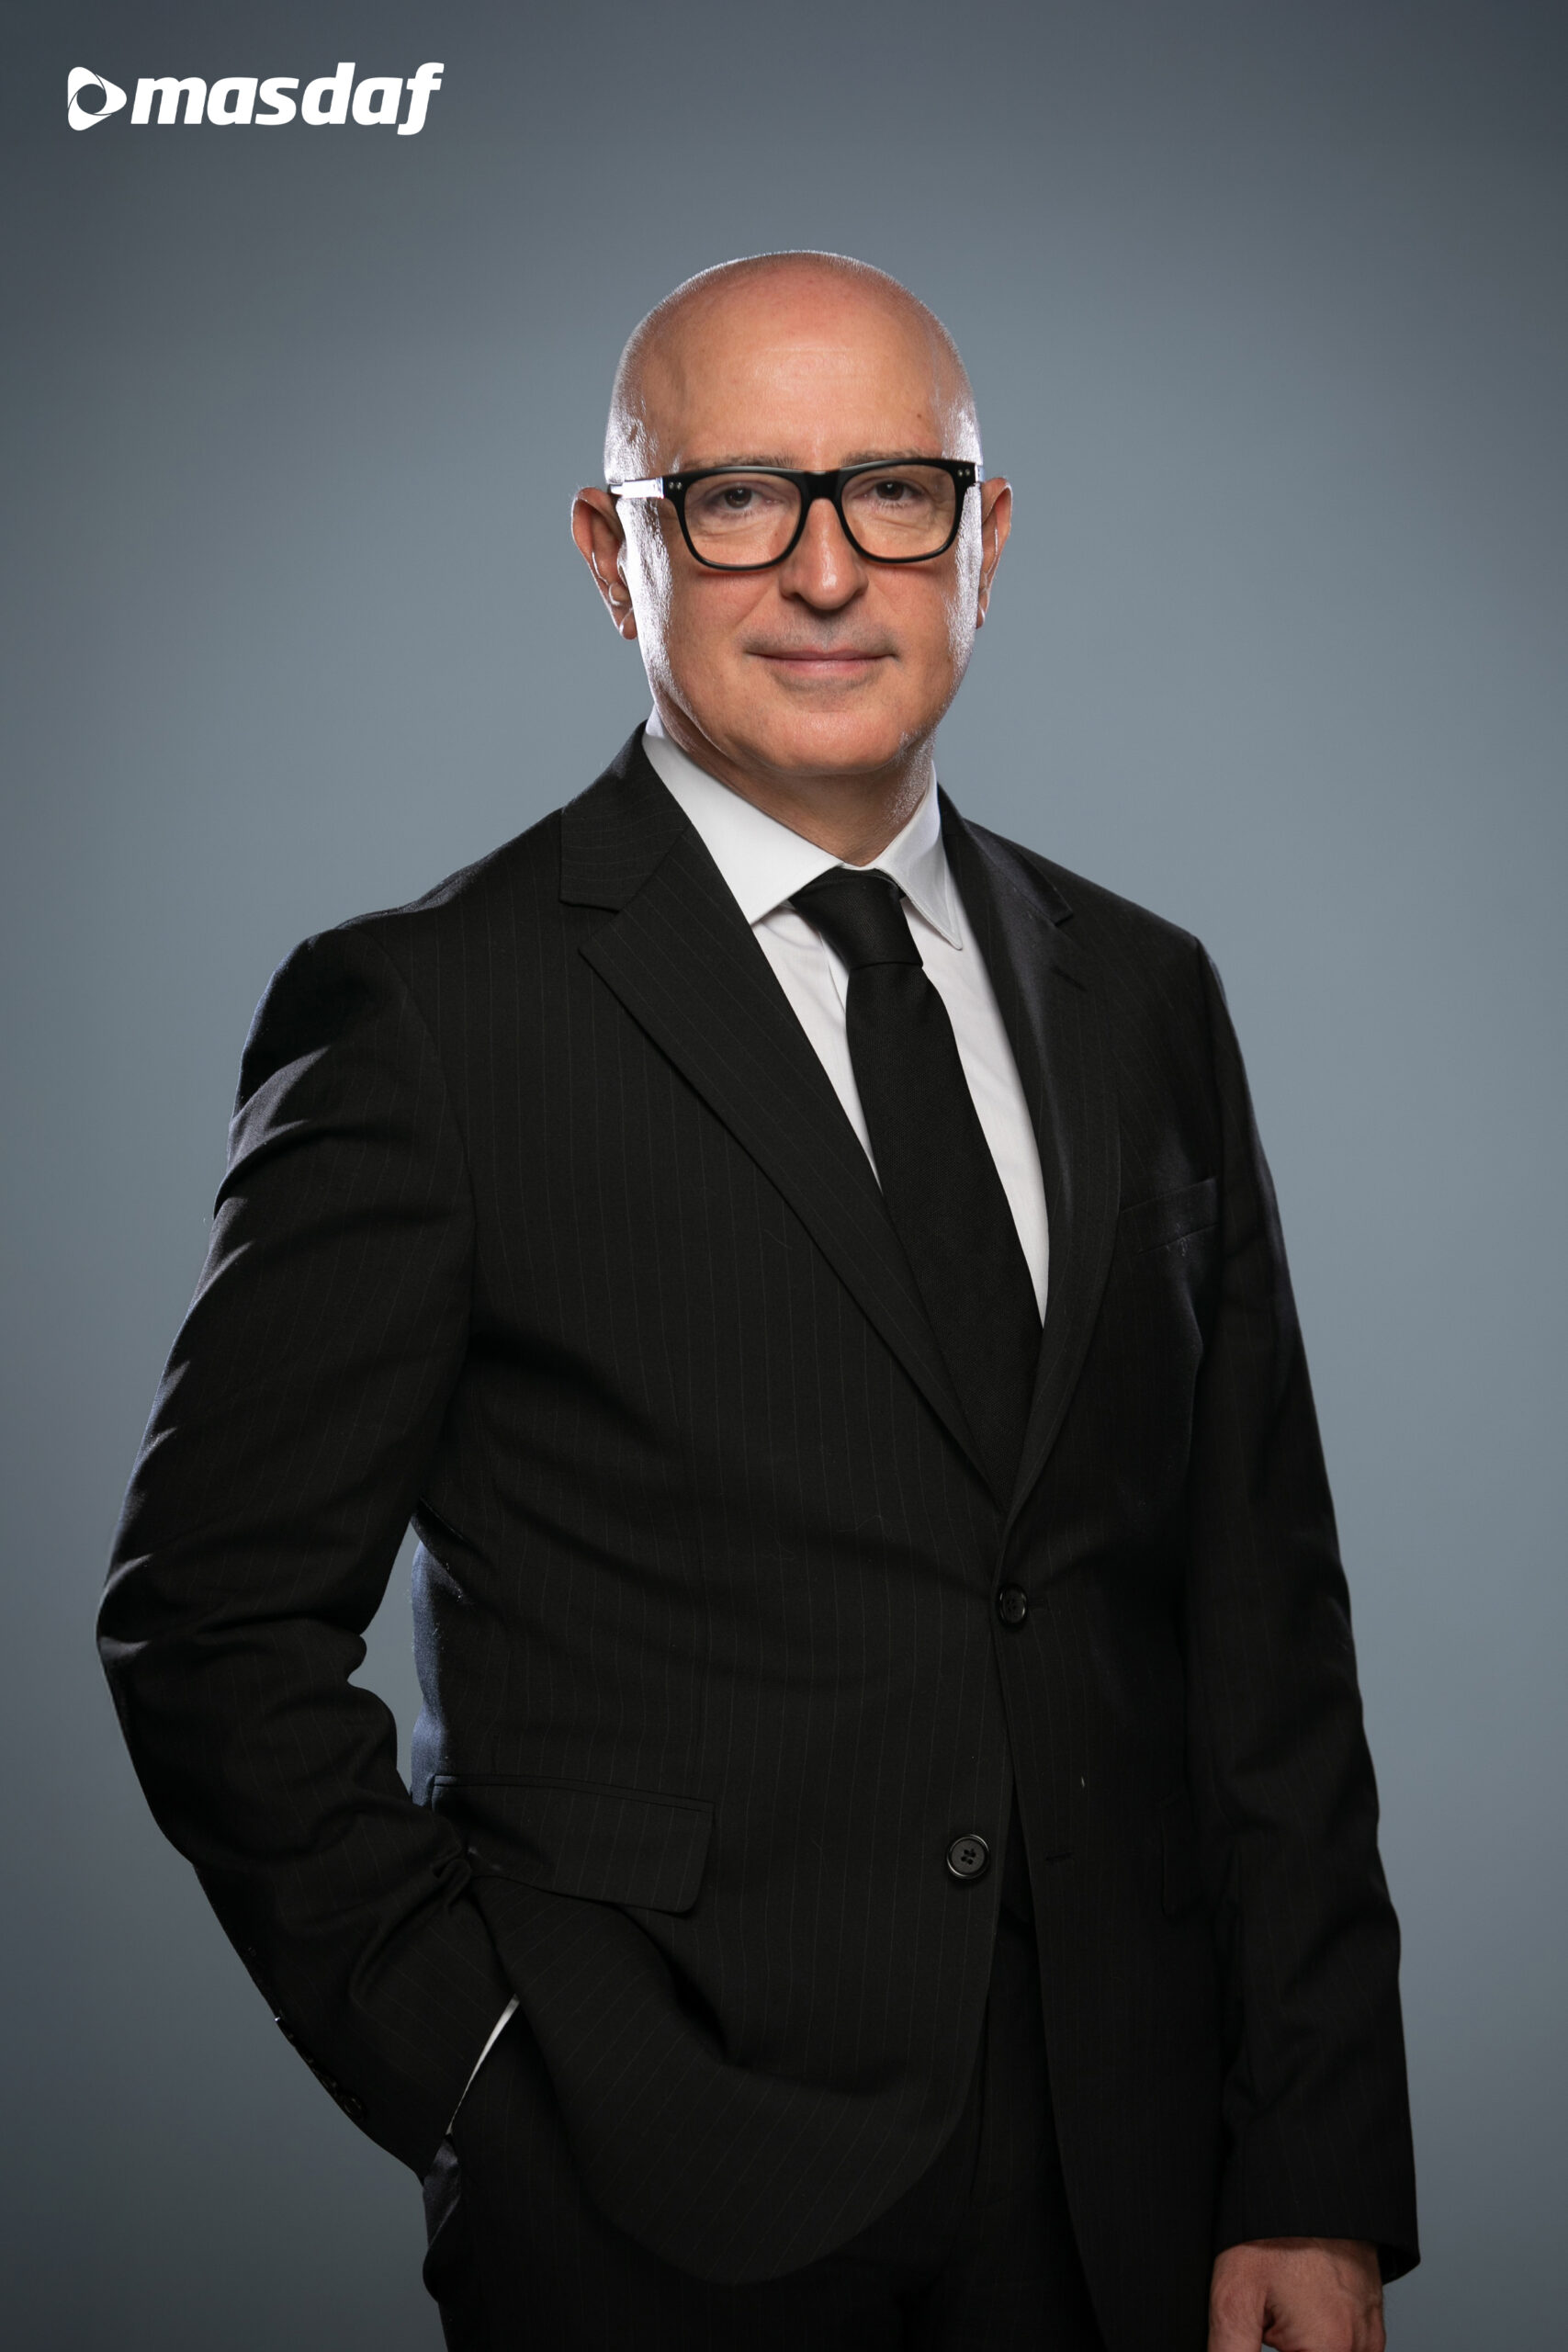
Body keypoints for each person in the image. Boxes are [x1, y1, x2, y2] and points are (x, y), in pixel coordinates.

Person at [99, 252, 1417, 2350]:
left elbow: (1266, 1626)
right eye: (733, 498)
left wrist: (1313, 2167)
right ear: (611, 553)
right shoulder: (429, 1016)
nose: (823, 568)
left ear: (984, 538)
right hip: (652, 2199)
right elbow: (209, 1628)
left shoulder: (1143, 995)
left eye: (891, 490)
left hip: (1143, 2185)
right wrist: (486, 2075)